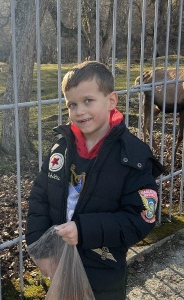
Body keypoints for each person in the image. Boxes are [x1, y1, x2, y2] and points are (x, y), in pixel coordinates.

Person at [25, 61, 164, 300]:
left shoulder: (133, 156)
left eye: (88, 101)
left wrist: (84, 230)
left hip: (104, 271)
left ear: (111, 101)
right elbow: (40, 197)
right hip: (60, 263)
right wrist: (40, 249)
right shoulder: (61, 149)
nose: (79, 111)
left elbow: (141, 217)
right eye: (72, 104)